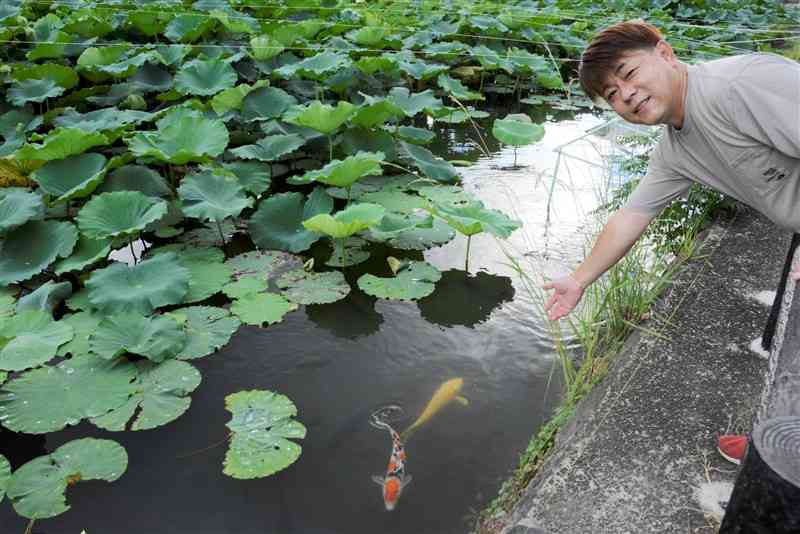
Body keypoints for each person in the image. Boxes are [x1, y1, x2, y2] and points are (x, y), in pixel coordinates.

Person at [541, 20, 800, 465]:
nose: (626, 94)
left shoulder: (739, 85)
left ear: (665, 53)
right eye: (612, 94)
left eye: (628, 73)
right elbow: (631, 216)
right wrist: (578, 280)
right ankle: (783, 439)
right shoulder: (676, 149)